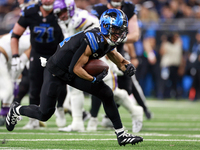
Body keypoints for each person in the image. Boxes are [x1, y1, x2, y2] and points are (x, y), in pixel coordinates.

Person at [6, 8, 143, 146]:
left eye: (121, 29)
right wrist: (93, 79)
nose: (120, 33)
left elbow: (114, 55)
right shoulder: (93, 41)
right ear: (107, 28)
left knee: (106, 93)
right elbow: (75, 68)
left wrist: (127, 66)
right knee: (44, 113)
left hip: (71, 71)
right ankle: (16, 110)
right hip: (56, 71)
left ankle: (121, 135)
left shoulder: (106, 39)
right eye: (117, 29)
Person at [89, 0, 152, 123]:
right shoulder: (98, 10)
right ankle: (93, 117)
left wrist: (117, 39)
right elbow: (92, 32)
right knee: (97, 84)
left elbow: (135, 36)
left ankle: (108, 116)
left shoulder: (128, 8)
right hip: (100, 51)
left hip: (117, 52)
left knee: (127, 87)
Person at [9, 0, 66, 129]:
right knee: (34, 86)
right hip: (37, 53)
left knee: (61, 86)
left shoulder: (60, 11)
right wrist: (15, 56)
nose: (47, 1)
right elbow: (15, 34)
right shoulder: (30, 12)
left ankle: (61, 109)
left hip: (57, 54)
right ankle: (33, 120)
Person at [53, 0, 99, 130]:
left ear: (70, 8)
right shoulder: (67, 21)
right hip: (82, 57)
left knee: (111, 92)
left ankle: (135, 112)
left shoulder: (81, 19)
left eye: (62, 11)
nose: (61, 15)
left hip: (96, 56)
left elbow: (97, 37)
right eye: (58, 13)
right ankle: (78, 122)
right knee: (74, 88)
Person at [0, 29, 30, 126]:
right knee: (9, 86)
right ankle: (6, 111)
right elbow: (31, 49)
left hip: (7, 57)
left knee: (12, 84)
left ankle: (5, 111)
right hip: (3, 55)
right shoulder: (33, 39)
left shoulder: (23, 29)